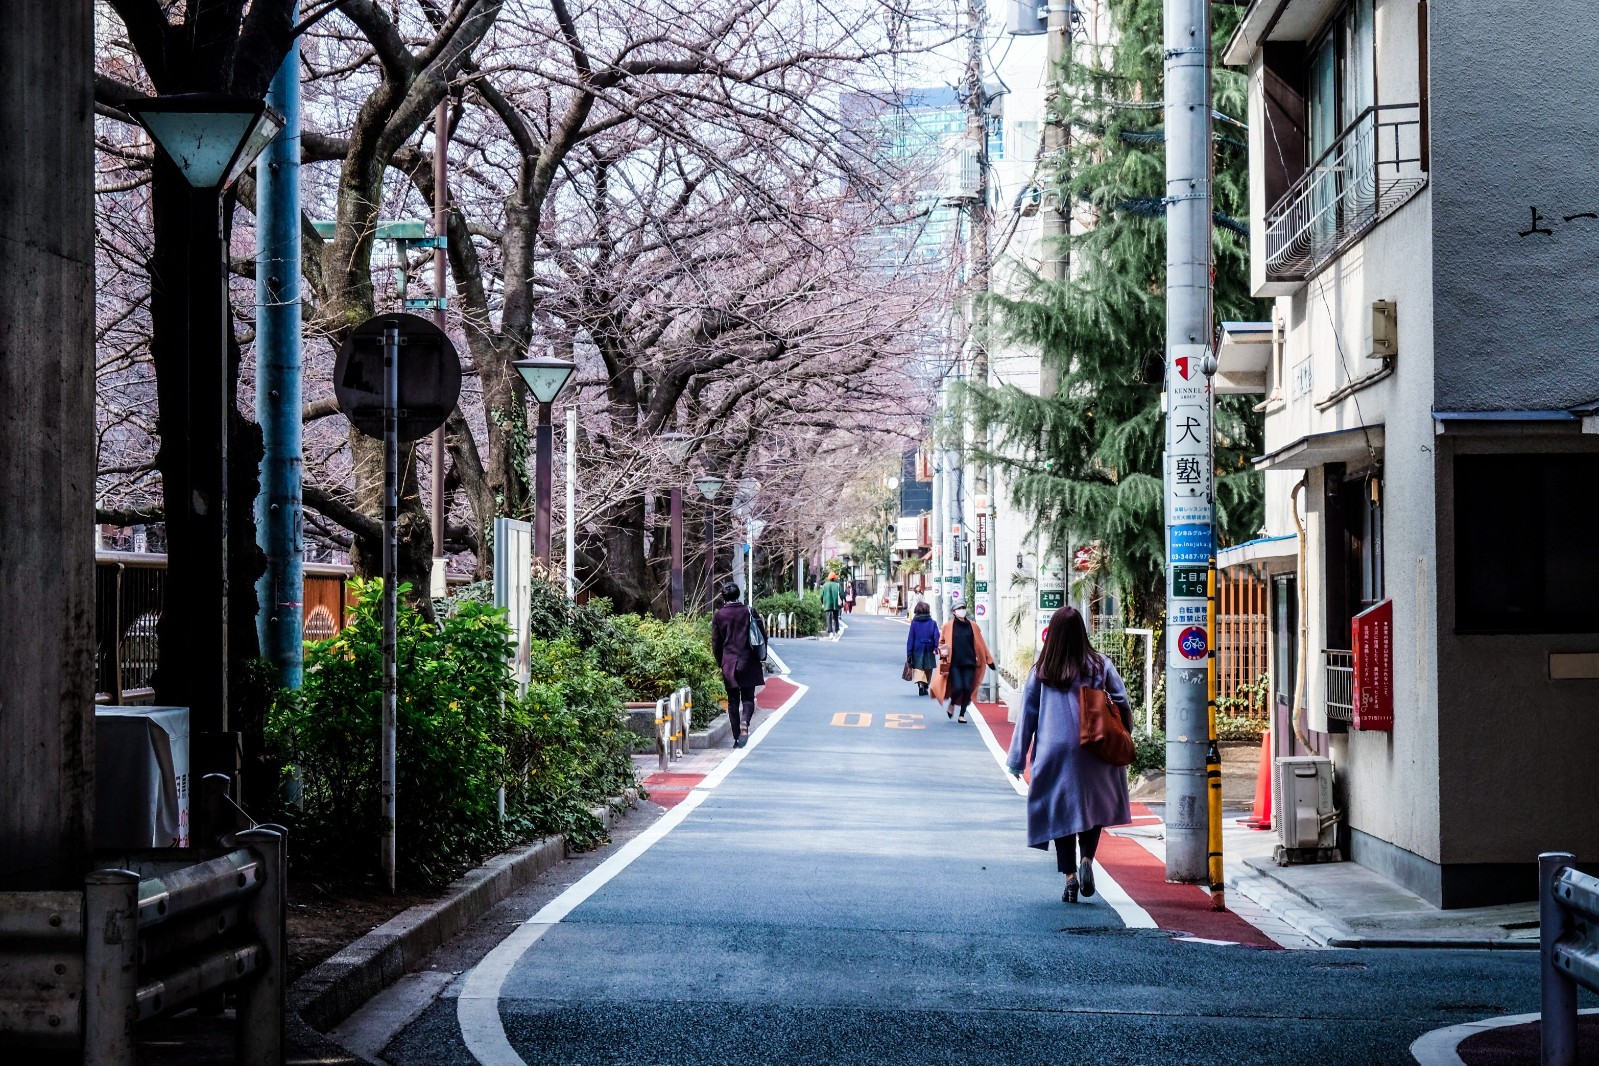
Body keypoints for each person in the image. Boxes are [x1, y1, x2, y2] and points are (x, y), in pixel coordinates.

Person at [1005, 605, 1133, 904]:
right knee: (1093, 807)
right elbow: (1122, 700)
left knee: (1060, 813)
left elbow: (1027, 717)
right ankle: (1087, 859)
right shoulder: (1099, 665)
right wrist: (1124, 729)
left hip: (1054, 750)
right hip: (1095, 746)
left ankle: (1070, 878)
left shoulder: (1042, 670)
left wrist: (1016, 759)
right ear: (1082, 632)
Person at [712, 581, 766, 748]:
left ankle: (737, 737)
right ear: (738, 595)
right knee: (748, 698)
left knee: (733, 701)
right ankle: (745, 723)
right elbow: (761, 635)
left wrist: (720, 661)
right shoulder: (749, 611)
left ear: (723, 597)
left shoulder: (719, 615)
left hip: (729, 663)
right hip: (748, 661)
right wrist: (761, 654)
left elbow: (716, 643)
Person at [929, 603, 994, 723]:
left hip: (969, 662)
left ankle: (962, 714)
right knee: (958, 686)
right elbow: (941, 641)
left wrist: (989, 660)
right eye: (959, 608)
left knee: (967, 688)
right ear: (953, 612)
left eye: (963, 608)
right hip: (954, 663)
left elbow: (981, 645)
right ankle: (952, 703)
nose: (962, 610)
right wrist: (942, 650)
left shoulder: (973, 626)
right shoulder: (948, 626)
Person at [905, 601, 940, 696]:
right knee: (928, 667)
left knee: (918, 667)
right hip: (929, 647)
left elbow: (911, 638)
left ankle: (920, 684)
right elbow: (936, 635)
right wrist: (936, 647)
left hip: (917, 648)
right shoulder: (932, 623)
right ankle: (926, 685)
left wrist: (909, 652)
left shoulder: (914, 623)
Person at [819, 571, 843, 639]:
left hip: (827, 604)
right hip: (836, 604)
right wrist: (842, 603)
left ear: (828, 578)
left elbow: (821, 596)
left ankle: (830, 633)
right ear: (834, 578)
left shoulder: (825, 585)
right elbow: (842, 594)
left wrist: (822, 602)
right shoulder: (837, 585)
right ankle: (837, 631)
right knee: (836, 618)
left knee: (828, 618)